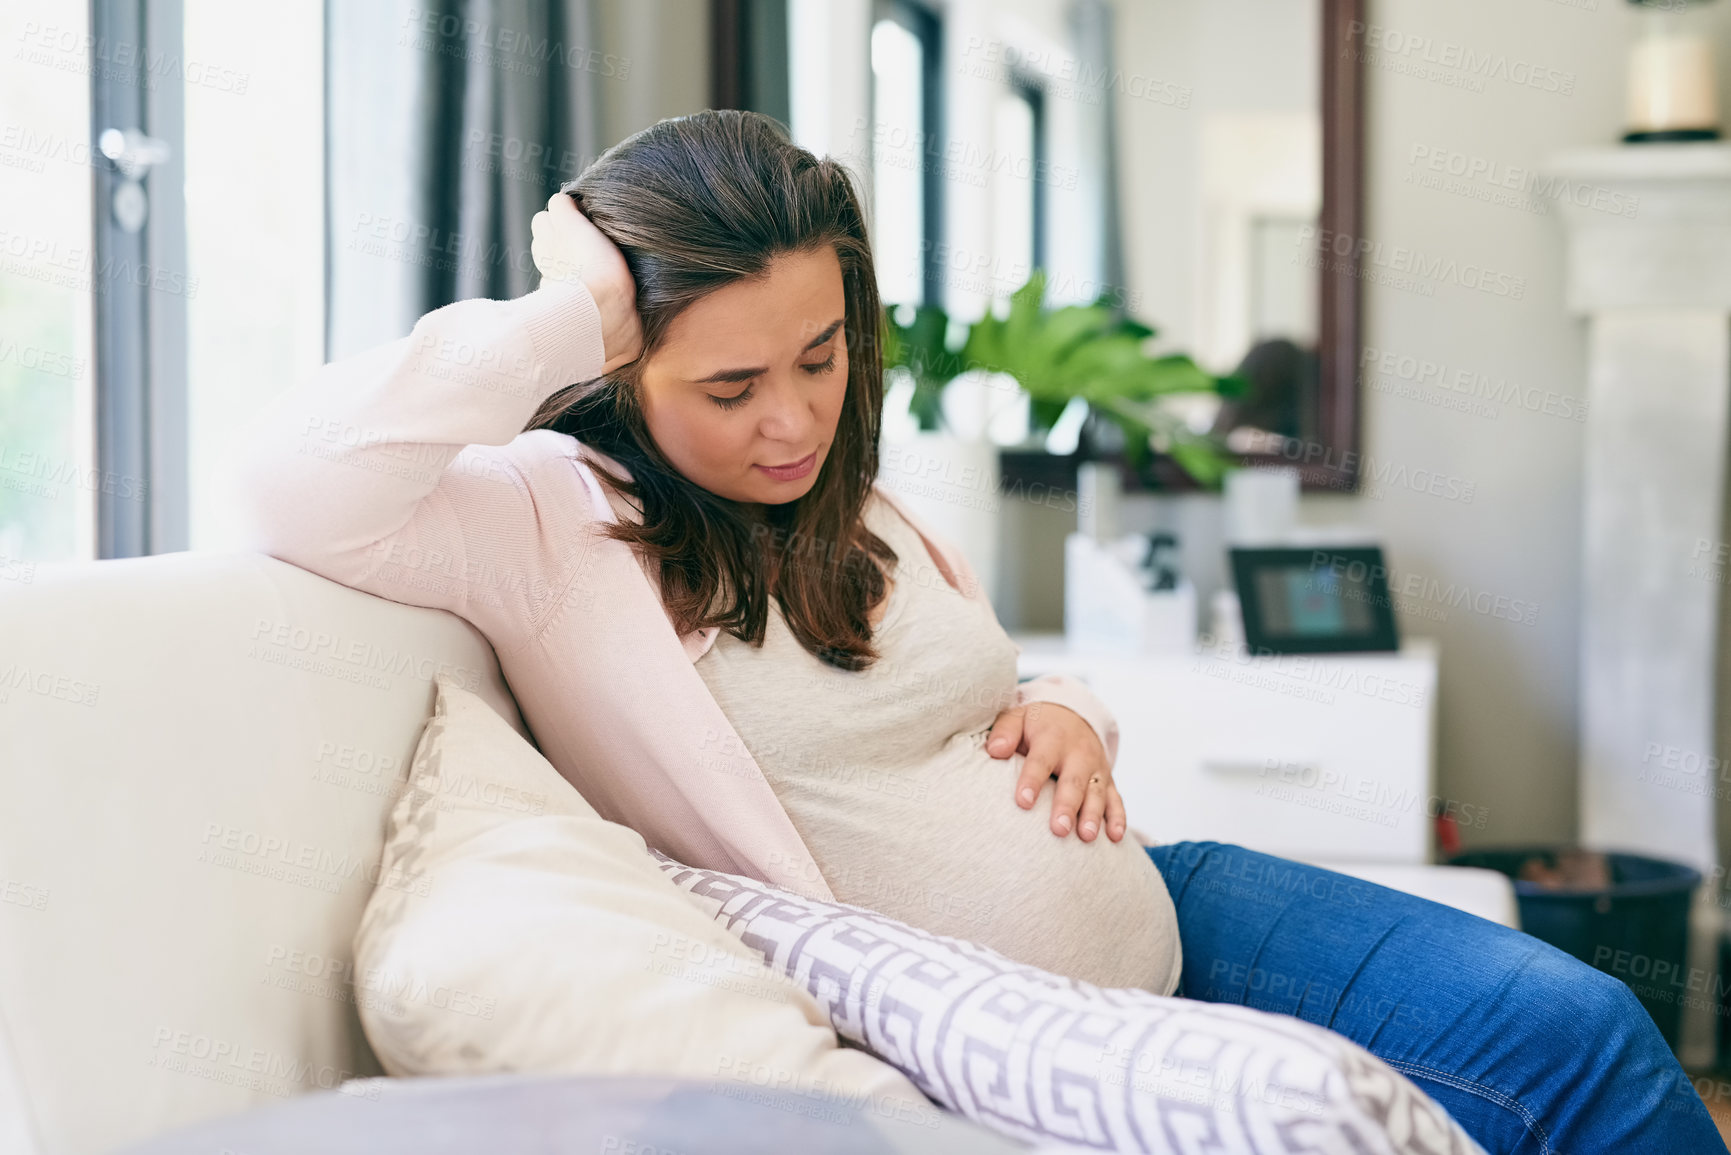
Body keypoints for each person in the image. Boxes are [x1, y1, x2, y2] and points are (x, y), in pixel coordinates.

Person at [223, 109, 1725, 1154]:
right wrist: (569, 313)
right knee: (1557, 1074)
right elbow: (295, 486)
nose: (795, 418)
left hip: (1175, 902)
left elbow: (985, 684)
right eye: (730, 387)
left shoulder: (852, 499)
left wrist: (1073, 712)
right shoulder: (556, 524)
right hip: (1041, 1019)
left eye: (821, 357)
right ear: (626, 369)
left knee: (1581, 1025)